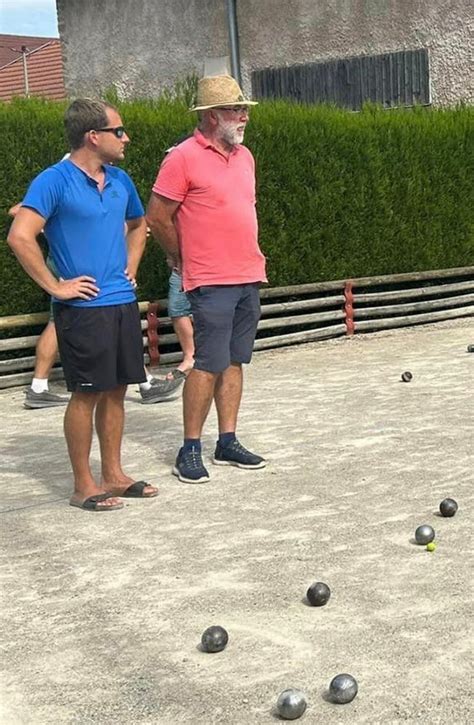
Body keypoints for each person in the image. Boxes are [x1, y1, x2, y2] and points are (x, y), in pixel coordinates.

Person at [8, 98, 158, 510]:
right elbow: (20, 236)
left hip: (121, 301)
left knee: (117, 390)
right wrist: (56, 286)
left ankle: (113, 474)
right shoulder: (53, 181)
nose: (126, 138)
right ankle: (83, 485)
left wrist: (131, 265)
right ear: (94, 136)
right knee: (87, 394)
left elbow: (138, 224)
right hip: (83, 309)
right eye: (119, 131)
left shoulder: (120, 179)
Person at [146, 74, 268, 484]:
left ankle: (227, 440)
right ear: (213, 115)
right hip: (209, 279)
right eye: (237, 109)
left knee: (234, 360)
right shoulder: (181, 157)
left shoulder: (245, 156)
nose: (244, 116)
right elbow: (157, 216)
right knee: (206, 362)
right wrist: (179, 257)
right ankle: (190, 448)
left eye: (244, 109)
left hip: (248, 273)